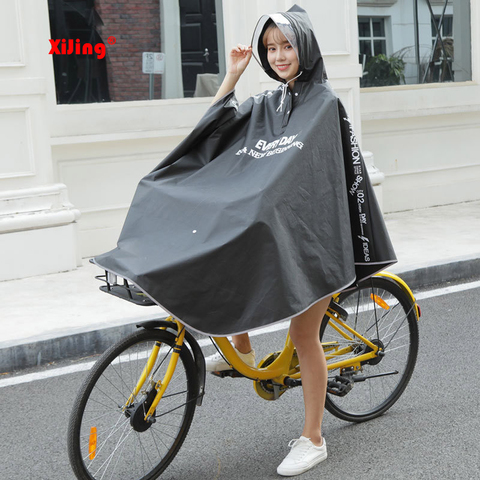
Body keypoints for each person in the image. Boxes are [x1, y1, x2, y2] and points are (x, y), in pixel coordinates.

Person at [94, 5, 396, 477]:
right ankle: (244, 349)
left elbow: (309, 180)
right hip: (278, 223)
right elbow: (213, 134)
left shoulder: (323, 105)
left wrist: (261, 204)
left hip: (315, 236)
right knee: (224, 229)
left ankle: (314, 438)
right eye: (270, 48)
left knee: (302, 334)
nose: (278, 56)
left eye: (286, 46)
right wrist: (233, 76)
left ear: (306, 48)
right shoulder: (269, 103)